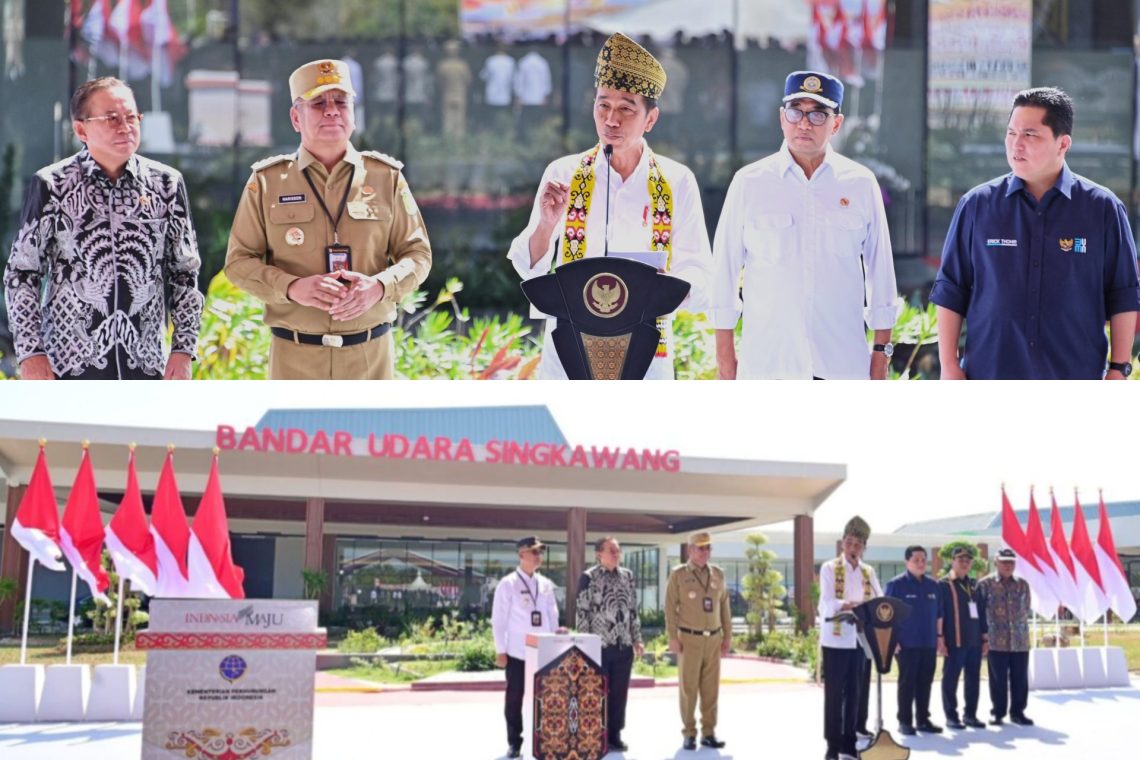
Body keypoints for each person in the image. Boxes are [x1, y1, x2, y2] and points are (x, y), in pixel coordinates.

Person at [507, 32, 711, 380]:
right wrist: (545, 223)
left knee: (641, 435)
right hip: (569, 346)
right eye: (603, 105)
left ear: (650, 119)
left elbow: (698, 270)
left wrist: (662, 288)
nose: (611, 120)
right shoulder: (564, 173)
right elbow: (530, 267)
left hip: (647, 349)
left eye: (626, 109)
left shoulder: (676, 180)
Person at [225, 59, 432, 379]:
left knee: (371, 432)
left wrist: (379, 286)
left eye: (341, 102)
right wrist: (292, 287)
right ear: (296, 117)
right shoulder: (267, 182)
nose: (332, 110)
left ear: (353, 114)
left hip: (369, 359)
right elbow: (239, 262)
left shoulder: (385, 177)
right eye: (319, 103)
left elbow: (418, 255)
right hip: (294, 360)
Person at [930, 86, 1140, 379]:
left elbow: (1124, 294)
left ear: (1062, 144)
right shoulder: (976, 205)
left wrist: (1119, 369)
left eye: (1029, 135)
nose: (1016, 145)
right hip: (990, 376)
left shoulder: (1103, 208)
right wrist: (949, 365)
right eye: (1011, 133)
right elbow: (951, 289)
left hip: (1074, 378)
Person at [4, 76, 203, 380]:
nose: (125, 126)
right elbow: (22, 273)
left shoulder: (166, 184)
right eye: (111, 119)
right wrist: (31, 353)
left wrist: (183, 349)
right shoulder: (53, 185)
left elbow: (184, 273)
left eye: (132, 117)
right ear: (81, 129)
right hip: (68, 367)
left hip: (147, 365)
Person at [712, 71, 899, 380]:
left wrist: (882, 353)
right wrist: (725, 357)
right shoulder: (750, 182)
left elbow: (881, 273)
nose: (804, 123)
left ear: (836, 124)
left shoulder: (860, 183)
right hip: (769, 364)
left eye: (817, 114)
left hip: (841, 365)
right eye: (795, 111)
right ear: (781, 118)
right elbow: (724, 273)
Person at [818, 516, 882, 760]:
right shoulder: (829, 567)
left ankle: (849, 742)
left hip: (859, 641)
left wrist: (873, 609)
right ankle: (832, 745)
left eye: (858, 544)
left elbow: (879, 599)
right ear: (842, 544)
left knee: (855, 693)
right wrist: (853, 606)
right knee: (834, 694)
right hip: (835, 640)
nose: (853, 548)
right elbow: (827, 602)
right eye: (849, 542)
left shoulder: (869, 571)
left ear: (864, 547)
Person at [491, 536, 559, 759]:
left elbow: (552, 615)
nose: (539, 556)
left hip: (544, 652)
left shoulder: (546, 583)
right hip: (518, 652)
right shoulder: (508, 583)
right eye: (534, 552)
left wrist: (557, 640)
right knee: (515, 698)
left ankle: (543, 738)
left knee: (545, 697)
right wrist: (501, 650)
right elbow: (499, 620)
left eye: (540, 552)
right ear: (521, 555)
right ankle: (514, 742)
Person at [574, 536, 644, 752]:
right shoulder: (589, 577)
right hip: (599, 647)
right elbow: (582, 613)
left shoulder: (627, 576)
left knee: (619, 692)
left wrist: (637, 638)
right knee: (597, 693)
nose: (616, 554)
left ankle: (615, 734)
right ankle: (596, 735)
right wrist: (584, 647)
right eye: (611, 550)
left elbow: (633, 611)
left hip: (623, 646)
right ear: (599, 554)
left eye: (618, 550)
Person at [664, 531, 730, 751]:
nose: (705, 552)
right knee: (688, 688)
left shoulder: (718, 574)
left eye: (708, 548)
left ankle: (708, 732)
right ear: (690, 550)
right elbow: (670, 609)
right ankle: (689, 732)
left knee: (711, 689)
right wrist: (672, 637)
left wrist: (727, 637)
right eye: (700, 548)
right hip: (689, 639)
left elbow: (725, 609)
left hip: (713, 639)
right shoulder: (679, 574)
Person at [883, 545, 943, 736]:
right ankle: (904, 721)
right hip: (906, 644)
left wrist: (940, 639)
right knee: (907, 682)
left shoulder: (933, 585)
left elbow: (939, 615)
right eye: (916, 560)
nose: (920, 563)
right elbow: (887, 614)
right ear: (907, 562)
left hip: (928, 643)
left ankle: (923, 720)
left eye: (923, 560)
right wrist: (892, 640)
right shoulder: (896, 584)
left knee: (925, 682)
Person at [977, 548, 1035, 727]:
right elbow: (979, 612)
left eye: (1011, 562)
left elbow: (1026, 608)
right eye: (1004, 562)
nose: (1008, 565)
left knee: (1020, 678)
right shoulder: (985, 584)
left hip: (1019, 639)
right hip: (996, 640)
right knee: (998, 679)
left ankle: (1018, 712)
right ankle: (998, 713)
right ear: (996, 562)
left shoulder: (1022, 584)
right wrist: (984, 636)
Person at [938, 546, 988, 730]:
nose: (964, 563)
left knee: (973, 679)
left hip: (974, 641)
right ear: (952, 561)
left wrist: (985, 639)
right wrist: (940, 638)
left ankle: (970, 715)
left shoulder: (974, 585)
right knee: (950, 679)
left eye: (968, 560)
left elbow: (981, 613)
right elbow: (939, 613)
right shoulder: (943, 584)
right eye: (960, 559)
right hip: (954, 640)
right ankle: (951, 716)